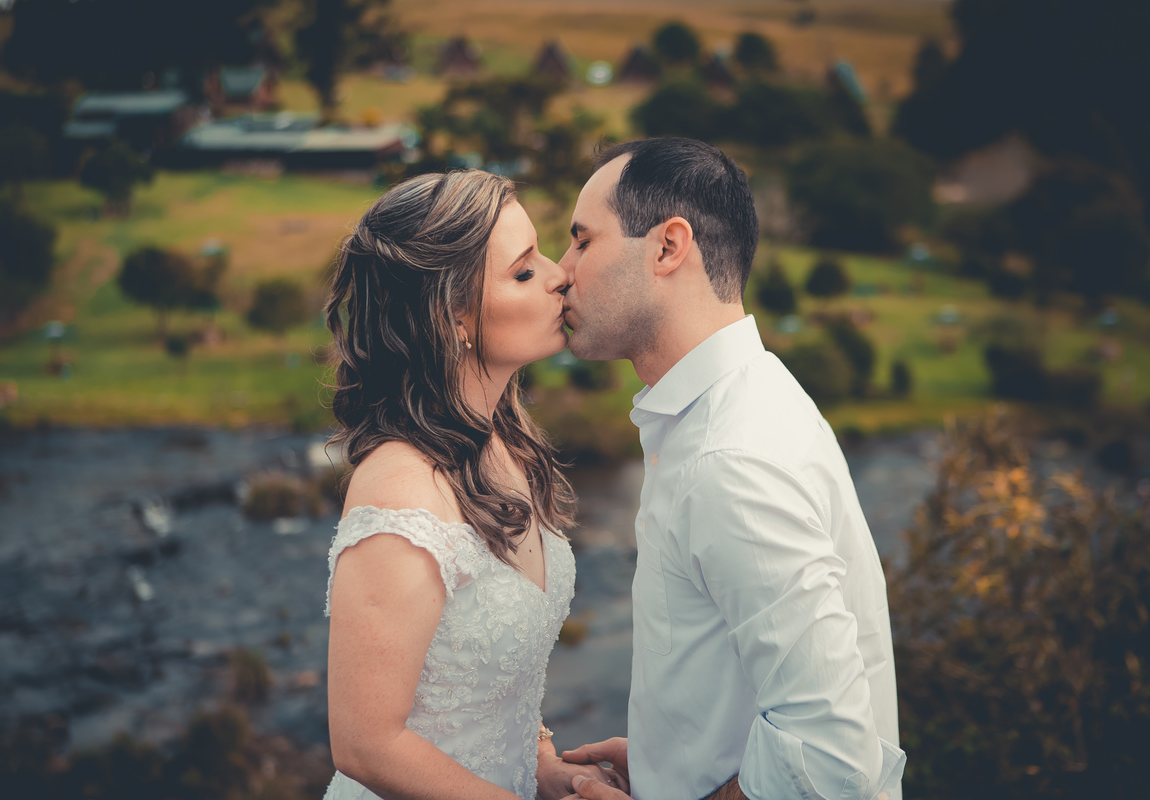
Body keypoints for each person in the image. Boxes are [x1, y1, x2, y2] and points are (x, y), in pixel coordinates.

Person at [547, 139, 906, 800]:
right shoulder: (741, 402)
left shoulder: (730, 460)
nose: (560, 271)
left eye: (581, 240)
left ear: (666, 246)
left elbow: (833, 764)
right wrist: (670, 759)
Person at [321, 170, 628, 800]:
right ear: (452, 317)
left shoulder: (503, 447)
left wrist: (543, 764)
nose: (558, 275)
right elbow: (365, 742)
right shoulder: (400, 488)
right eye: (522, 271)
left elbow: (487, 682)